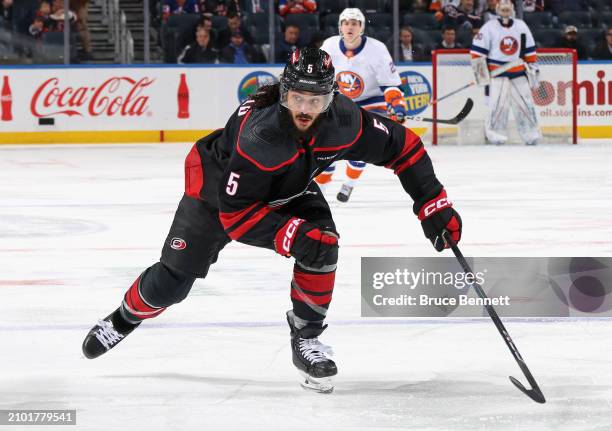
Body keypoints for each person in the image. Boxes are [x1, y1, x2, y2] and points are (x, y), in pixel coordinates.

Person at [81, 48, 462, 394]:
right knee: (172, 284)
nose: (305, 109)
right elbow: (236, 214)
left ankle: (306, 339)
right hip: (219, 191)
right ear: (284, 93)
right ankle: (123, 318)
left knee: (323, 245)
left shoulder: (344, 121)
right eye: (297, 98)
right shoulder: (262, 136)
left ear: (331, 99)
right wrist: (290, 234)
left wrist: (433, 204)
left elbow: (403, 147)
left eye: (316, 100)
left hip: (288, 186)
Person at [316, 8, 408, 203]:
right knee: (326, 148)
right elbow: (319, 79)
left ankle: (349, 184)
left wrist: (396, 104)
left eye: (354, 23)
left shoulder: (377, 49)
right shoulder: (329, 46)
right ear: (340, 27)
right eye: (346, 23)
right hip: (339, 102)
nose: (350, 26)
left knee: (360, 145)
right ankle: (319, 192)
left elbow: (390, 84)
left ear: (362, 28)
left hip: (370, 102)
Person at [470, 0, 540, 145]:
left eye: (508, 7)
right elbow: (477, 53)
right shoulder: (489, 27)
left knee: (525, 104)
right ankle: (495, 134)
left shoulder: (521, 26)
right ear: (497, 9)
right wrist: (481, 75)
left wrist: (533, 72)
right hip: (497, 74)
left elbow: (530, 52)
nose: (506, 10)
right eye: (503, 7)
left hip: (519, 72)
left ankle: (530, 133)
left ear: (513, 9)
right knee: (497, 106)